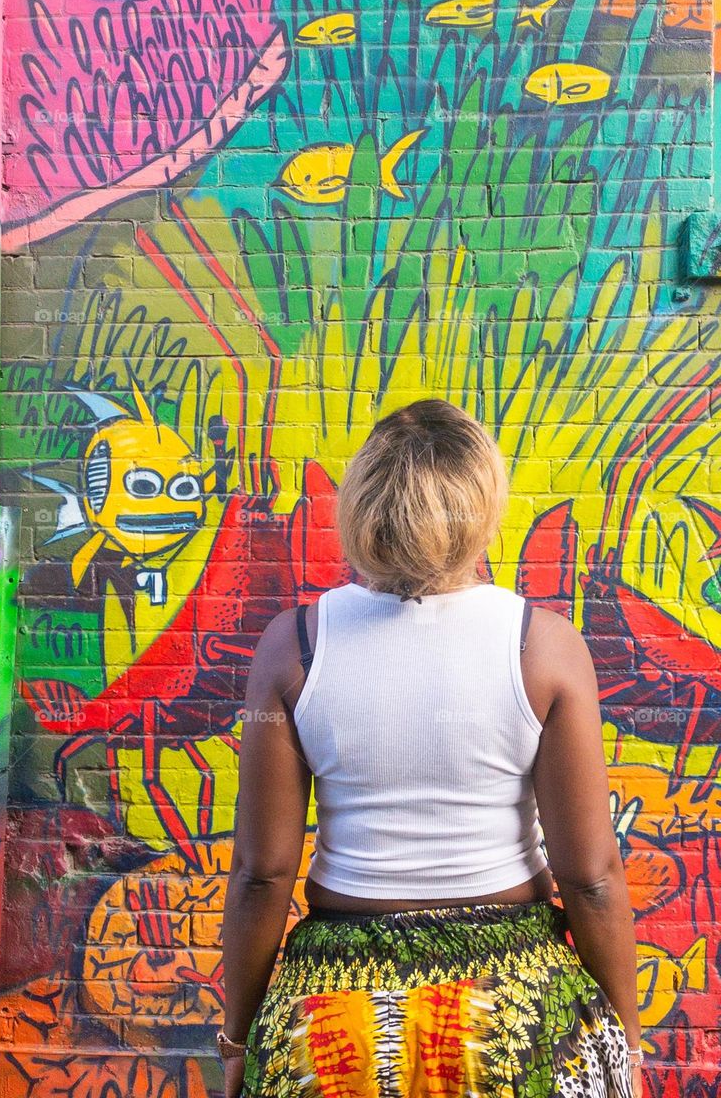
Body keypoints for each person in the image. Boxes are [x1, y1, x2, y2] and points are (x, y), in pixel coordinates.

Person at [218, 399, 643, 1098]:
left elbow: (262, 877)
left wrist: (239, 1040)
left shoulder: (293, 648)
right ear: (482, 507)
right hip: (518, 1002)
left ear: (365, 505)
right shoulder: (544, 647)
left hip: (333, 1017)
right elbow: (593, 880)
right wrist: (621, 1045)